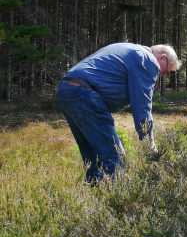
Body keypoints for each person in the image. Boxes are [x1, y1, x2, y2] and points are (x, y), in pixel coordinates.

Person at [56, 43, 179, 184]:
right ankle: (116, 202)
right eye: (165, 71)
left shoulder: (129, 49)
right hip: (85, 93)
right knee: (115, 159)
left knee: (92, 157)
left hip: (67, 89)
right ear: (163, 57)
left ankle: (92, 200)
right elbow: (142, 106)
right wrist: (149, 143)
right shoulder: (148, 60)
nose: (160, 74)